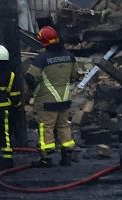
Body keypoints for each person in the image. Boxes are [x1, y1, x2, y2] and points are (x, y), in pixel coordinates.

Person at [26, 26, 81, 167]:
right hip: (64, 99)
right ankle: (66, 156)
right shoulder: (69, 56)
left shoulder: (40, 60)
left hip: (47, 101)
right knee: (63, 126)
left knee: (46, 128)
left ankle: (45, 158)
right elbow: (74, 75)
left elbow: (31, 78)